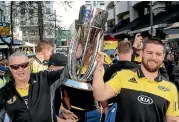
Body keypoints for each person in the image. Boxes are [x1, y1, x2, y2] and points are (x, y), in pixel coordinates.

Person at [93, 38, 179, 122]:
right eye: (149, 53)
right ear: (142, 53)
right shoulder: (123, 76)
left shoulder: (170, 89)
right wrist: (98, 68)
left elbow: (172, 119)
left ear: (163, 57)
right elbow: (99, 95)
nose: (153, 57)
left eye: (158, 54)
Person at [0, 51, 69, 122]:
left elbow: (68, 72)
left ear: (29, 65)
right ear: (10, 69)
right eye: (15, 67)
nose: (20, 69)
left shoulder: (44, 78)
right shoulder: (4, 92)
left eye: (24, 65)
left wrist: (77, 55)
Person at [48, 53, 78, 121]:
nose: (65, 72)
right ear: (52, 67)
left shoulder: (57, 81)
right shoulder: (45, 84)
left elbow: (53, 102)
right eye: (63, 69)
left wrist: (62, 109)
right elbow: (44, 112)